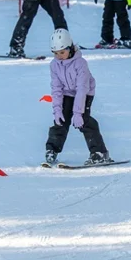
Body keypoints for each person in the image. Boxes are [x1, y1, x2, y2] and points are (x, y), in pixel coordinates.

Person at [44, 29, 112, 167]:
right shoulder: (54, 65)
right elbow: (56, 89)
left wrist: (78, 113)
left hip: (85, 93)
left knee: (84, 121)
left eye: (62, 52)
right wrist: (57, 111)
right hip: (67, 94)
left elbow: (82, 89)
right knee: (61, 120)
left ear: (70, 48)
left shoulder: (80, 64)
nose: (59, 56)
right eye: (56, 53)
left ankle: (99, 153)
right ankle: (52, 150)